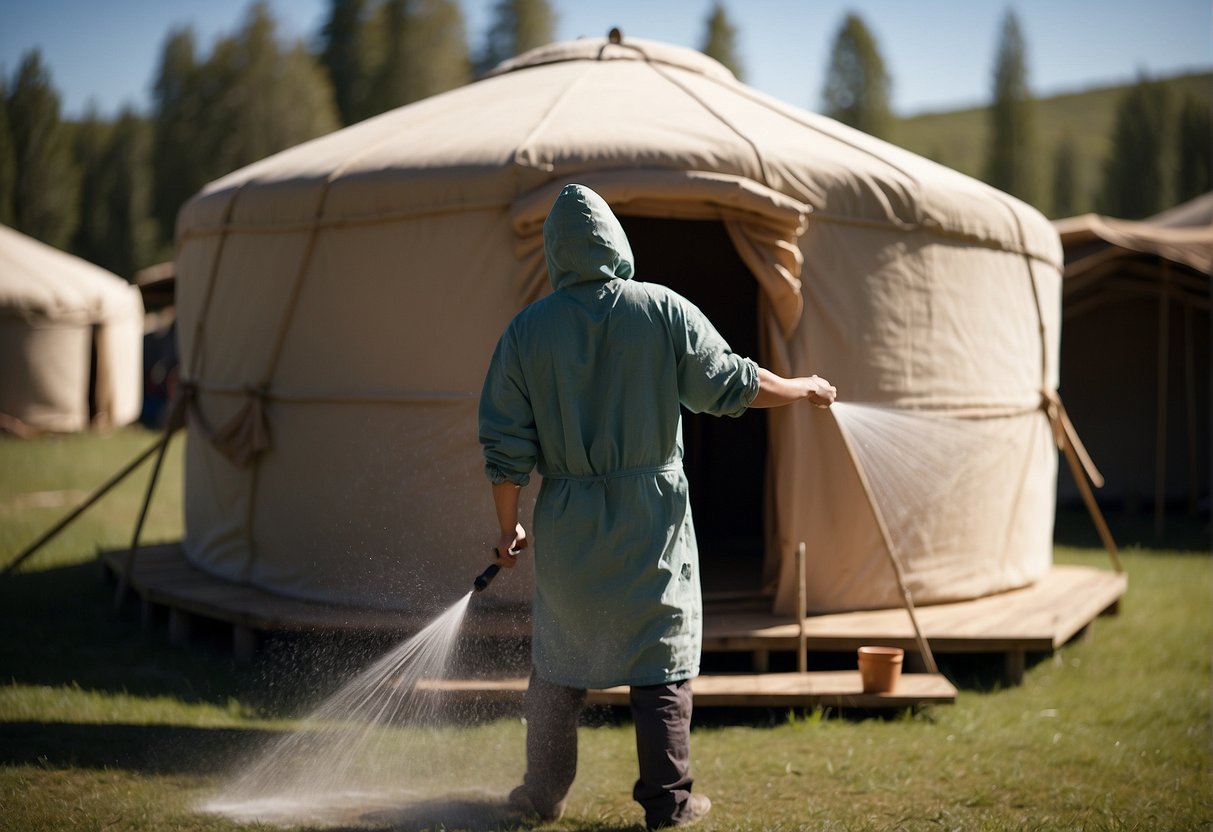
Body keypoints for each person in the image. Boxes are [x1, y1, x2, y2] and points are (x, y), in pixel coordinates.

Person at [479, 183, 836, 829]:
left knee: (559, 665)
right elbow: (729, 381)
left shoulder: (526, 330)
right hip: (650, 519)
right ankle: (666, 805)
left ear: (556, 250)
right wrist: (800, 386)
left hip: (568, 521)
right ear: (614, 241)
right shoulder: (661, 308)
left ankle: (539, 796)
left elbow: (504, 443)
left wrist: (508, 530)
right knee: (660, 659)